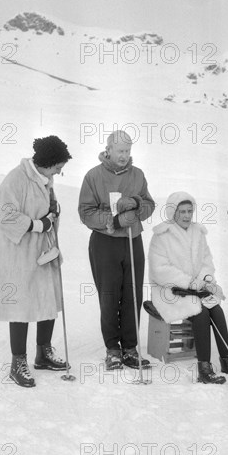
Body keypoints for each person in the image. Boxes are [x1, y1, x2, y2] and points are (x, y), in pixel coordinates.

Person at [0, 135, 72, 388]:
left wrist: (54, 212)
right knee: (22, 304)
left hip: (43, 250)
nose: (60, 171)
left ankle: (43, 353)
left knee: (47, 297)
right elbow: (4, 216)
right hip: (19, 252)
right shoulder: (16, 179)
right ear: (48, 162)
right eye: (58, 166)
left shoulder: (46, 180)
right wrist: (40, 224)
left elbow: (48, 210)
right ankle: (18, 362)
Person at [148, 191, 228, 384]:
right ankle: (204, 368)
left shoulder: (198, 232)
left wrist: (204, 281)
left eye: (189, 211)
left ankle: (226, 360)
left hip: (197, 288)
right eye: (181, 211)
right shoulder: (161, 235)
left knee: (216, 310)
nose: (186, 215)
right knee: (200, 313)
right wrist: (189, 283)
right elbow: (160, 270)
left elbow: (206, 261)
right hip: (171, 291)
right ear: (172, 212)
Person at [78, 130, 155, 370]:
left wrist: (137, 204)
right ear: (108, 149)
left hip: (133, 240)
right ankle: (113, 349)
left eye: (128, 151)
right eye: (120, 151)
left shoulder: (138, 174)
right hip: (105, 241)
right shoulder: (93, 176)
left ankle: (130, 348)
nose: (124, 155)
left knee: (132, 295)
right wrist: (114, 220)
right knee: (110, 296)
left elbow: (150, 204)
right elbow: (85, 212)